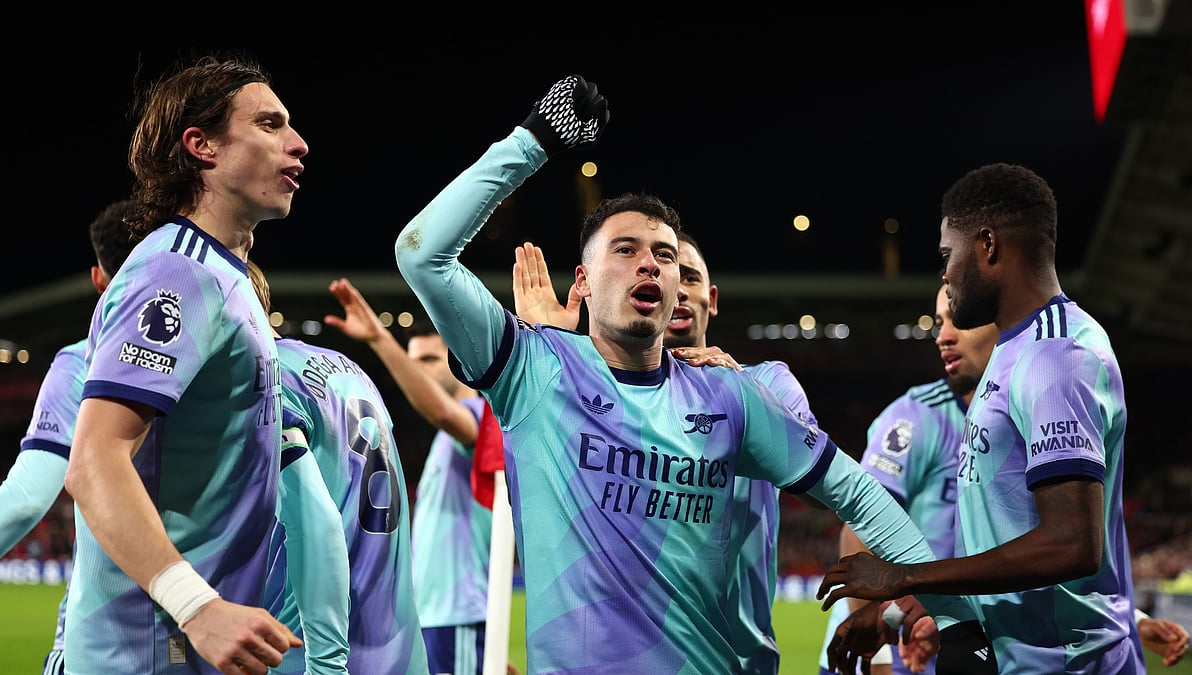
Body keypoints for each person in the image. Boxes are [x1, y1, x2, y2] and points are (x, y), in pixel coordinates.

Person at [394, 74, 975, 674]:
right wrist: (535, 140)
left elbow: (856, 492)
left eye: (665, 255)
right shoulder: (535, 372)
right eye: (624, 249)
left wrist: (950, 618)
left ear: (681, 291)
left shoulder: (730, 396)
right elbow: (421, 252)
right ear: (584, 283)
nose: (649, 261)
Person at [818, 162, 1144, 673]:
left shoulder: (1055, 354)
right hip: (1007, 656)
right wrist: (896, 615)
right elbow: (1001, 538)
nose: (946, 274)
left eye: (948, 255)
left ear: (988, 245)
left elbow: (1072, 543)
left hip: (1062, 663)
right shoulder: (1011, 355)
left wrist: (906, 577)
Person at [62, 54, 307, 674]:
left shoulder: (226, 277)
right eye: (270, 125)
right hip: (152, 649)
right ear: (201, 146)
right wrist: (197, 607)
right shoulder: (175, 270)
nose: (298, 144)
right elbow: (94, 460)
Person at [511, 231, 819, 674]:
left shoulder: (765, 384)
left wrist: (741, 393)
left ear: (710, 299)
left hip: (737, 660)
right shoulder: (598, 405)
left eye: (686, 273)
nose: (674, 286)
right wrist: (557, 346)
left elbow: (818, 487)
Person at [249, 262, 429, 675]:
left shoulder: (264, 379)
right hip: (400, 646)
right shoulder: (352, 371)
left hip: (310, 652)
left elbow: (314, 524)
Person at [323, 278, 507, 675]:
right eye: (413, 359)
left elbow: (442, 411)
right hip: (438, 614)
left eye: (428, 360)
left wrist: (378, 339)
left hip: (456, 611)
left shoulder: (480, 418)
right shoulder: (447, 440)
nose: (418, 370)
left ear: (458, 360)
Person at [815, 283, 999, 675]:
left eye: (959, 321)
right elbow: (860, 526)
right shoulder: (915, 417)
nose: (943, 336)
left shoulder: (1012, 418)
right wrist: (878, 657)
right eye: (938, 323)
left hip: (950, 641)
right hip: (888, 650)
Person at [0, 199, 137, 675]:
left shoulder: (83, 361)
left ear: (99, 280)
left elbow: (25, 499)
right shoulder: (229, 355)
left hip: (104, 638)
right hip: (214, 627)